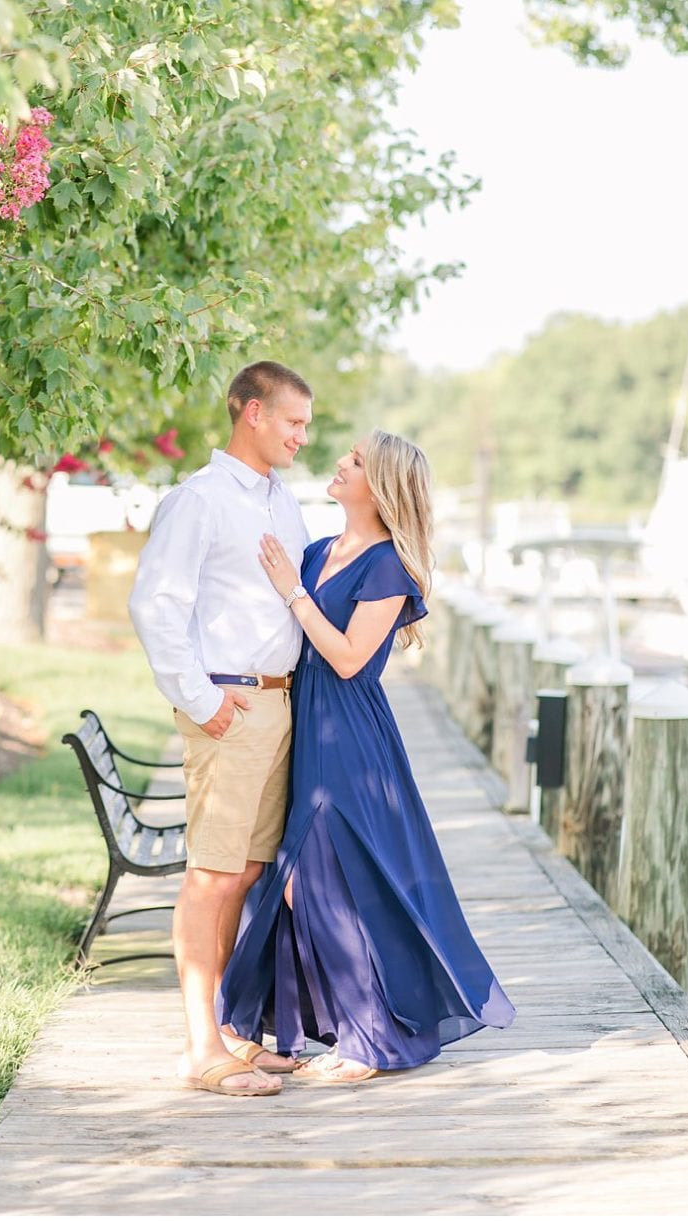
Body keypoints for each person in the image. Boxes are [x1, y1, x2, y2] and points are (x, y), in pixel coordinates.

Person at [217, 429, 515, 1083]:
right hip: (306, 731)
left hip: (349, 736)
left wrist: (293, 592)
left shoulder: (387, 566)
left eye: (352, 460)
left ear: (378, 485)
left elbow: (351, 658)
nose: (338, 462)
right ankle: (293, 1027)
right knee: (293, 882)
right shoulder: (321, 549)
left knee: (318, 882)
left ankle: (372, 1037)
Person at [127, 361, 315, 1097]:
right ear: (253, 413)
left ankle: (230, 1028)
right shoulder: (199, 501)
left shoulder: (284, 502)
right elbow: (156, 606)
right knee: (211, 873)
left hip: (278, 704)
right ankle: (201, 1047)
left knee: (246, 870)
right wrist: (202, 701)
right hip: (228, 705)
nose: (303, 435)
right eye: (294, 421)